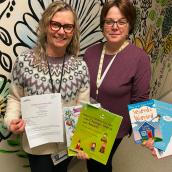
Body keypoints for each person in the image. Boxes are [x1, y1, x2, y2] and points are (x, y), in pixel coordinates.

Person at [4, 1, 89, 172]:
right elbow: (15, 97)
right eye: (55, 24)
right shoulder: (25, 61)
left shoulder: (80, 67)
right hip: (37, 145)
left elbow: (83, 108)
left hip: (66, 146)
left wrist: (83, 141)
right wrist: (11, 121)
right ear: (45, 25)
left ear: (73, 31)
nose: (61, 31)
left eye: (67, 27)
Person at [83, 0, 151, 171]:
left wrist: (147, 133)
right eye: (109, 21)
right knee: (91, 161)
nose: (115, 27)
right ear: (103, 24)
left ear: (130, 25)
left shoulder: (139, 58)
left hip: (114, 126)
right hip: (89, 120)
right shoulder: (90, 53)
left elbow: (140, 99)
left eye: (122, 22)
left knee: (99, 164)